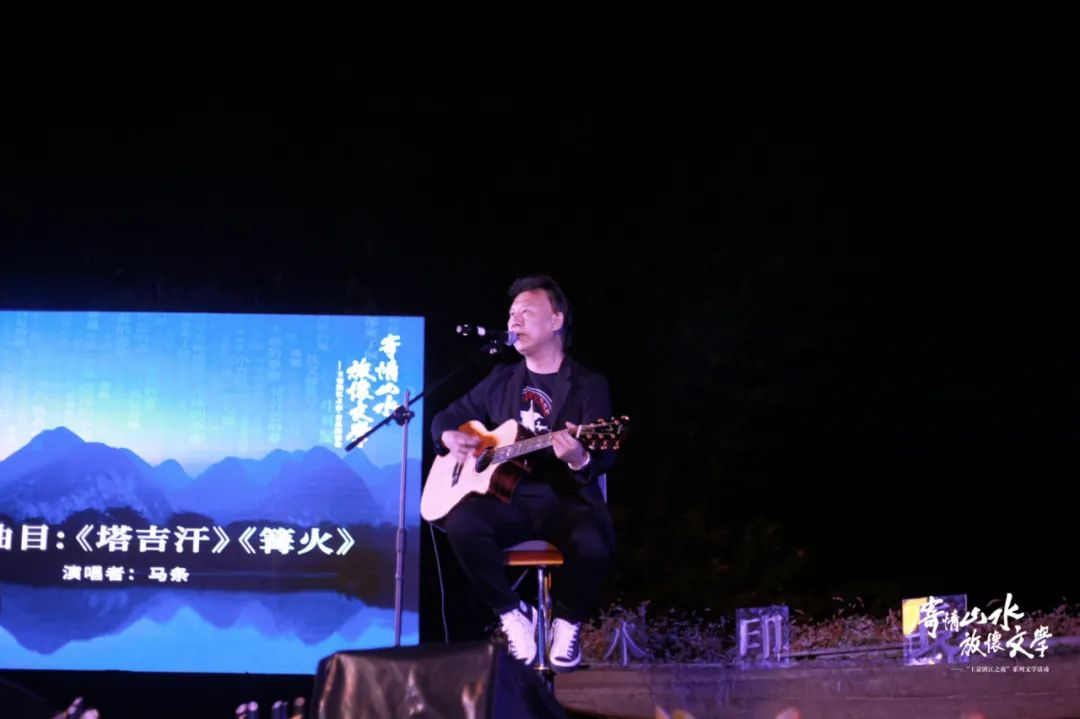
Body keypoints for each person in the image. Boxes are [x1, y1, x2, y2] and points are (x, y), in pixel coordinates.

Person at [431, 275, 616, 671]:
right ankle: (513, 613)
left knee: (593, 542)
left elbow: (604, 456)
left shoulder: (588, 384)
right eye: (511, 314)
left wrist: (579, 457)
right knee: (461, 525)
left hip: (564, 501)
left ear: (556, 320)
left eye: (526, 312)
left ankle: (567, 620)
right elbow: (448, 416)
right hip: (507, 502)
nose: (514, 320)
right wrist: (448, 436)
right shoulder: (501, 378)